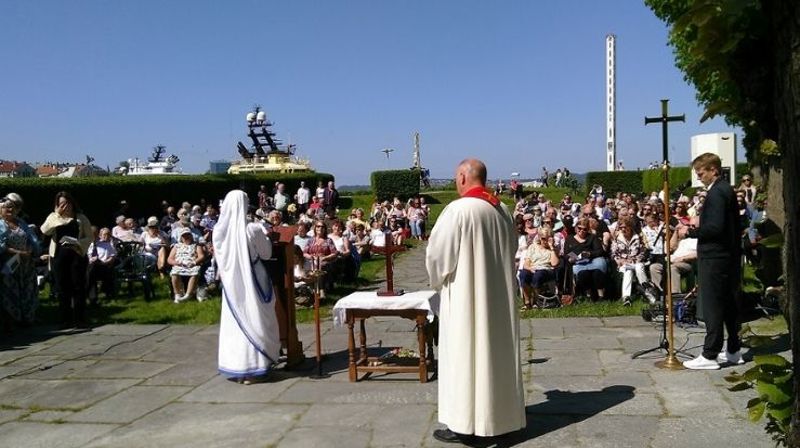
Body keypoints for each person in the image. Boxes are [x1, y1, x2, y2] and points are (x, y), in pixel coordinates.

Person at [425, 158, 525, 443]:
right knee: (496, 357)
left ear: (462, 177)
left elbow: (437, 257)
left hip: (467, 299)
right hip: (499, 299)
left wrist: (437, 281)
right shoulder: (502, 209)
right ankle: (501, 419)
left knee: (465, 357)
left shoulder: (458, 210)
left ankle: (465, 424)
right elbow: (513, 247)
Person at [683, 153, 743, 370]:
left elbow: (715, 228)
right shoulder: (725, 189)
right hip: (726, 256)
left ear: (713, 170)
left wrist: (690, 231)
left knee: (713, 304)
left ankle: (710, 355)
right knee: (727, 303)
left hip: (715, 257)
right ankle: (734, 349)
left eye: (701, 173)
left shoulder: (717, 192)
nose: (699, 178)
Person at [214, 190, 281, 384]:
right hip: (253, 280)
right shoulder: (252, 229)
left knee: (236, 323)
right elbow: (266, 253)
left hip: (232, 286)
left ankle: (238, 368)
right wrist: (266, 235)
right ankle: (256, 366)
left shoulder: (219, 232)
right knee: (256, 318)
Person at [41, 191, 93, 328]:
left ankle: (80, 318)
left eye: (67, 203)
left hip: (76, 256)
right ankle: (65, 318)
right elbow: (44, 230)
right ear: (57, 205)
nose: (65, 206)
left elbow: (89, 237)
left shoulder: (81, 218)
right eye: (62, 204)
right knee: (62, 288)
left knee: (78, 287)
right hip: (58, 257)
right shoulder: (53, 217)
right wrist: (58, 215)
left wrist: (78, 243)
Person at [0, 195, 41, 330]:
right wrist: (19, 253)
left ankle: (28, 318)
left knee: (28, 290)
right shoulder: (1, 224)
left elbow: (31, 239)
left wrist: (29, 250)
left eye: (12, 207)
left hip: (26, 264)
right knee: (10, 292)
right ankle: (12, 320)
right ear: (1, 210)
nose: (10, 209)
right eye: (7, 207)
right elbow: (2, 246)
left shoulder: (21, 222)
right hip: (10, 263)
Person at [168, 228, 205, 303]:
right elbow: (169, 259)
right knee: (174, 273)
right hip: (179, 264)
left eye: (188, 235)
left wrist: (194, 262)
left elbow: (201, 256)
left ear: (191, 236)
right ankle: (177, 295)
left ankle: (188, 295)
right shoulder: (177, 246)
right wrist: (177, 263)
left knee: (195, 272)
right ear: (181, 237)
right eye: (184, 235)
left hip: (192, 264)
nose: (186, 237)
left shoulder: (196, 245)